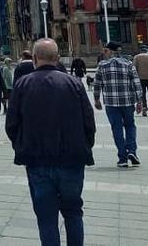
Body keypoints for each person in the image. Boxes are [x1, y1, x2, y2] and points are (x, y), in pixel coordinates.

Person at [6, 38, 95, 246]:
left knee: (46, 218)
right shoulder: (74, 83)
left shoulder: (22, 84)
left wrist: (22, 147)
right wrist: (84, 146)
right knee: (73, 213)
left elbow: (12, 125)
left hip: (37, 162)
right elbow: (88, 122)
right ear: (56, 58)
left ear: (35, 58)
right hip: (72, 161)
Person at [93, 41, 142, 168]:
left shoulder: (102, 66)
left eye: (105, 51)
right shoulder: (128, 64)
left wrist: (96, 99)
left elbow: (97, 84)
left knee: (117, 129)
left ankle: (122, 157)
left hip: (111, 103)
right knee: (130, 126)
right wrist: (139, 101)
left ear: (109, 51)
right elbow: (136, 83)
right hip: (127, 102)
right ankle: (132, 151)